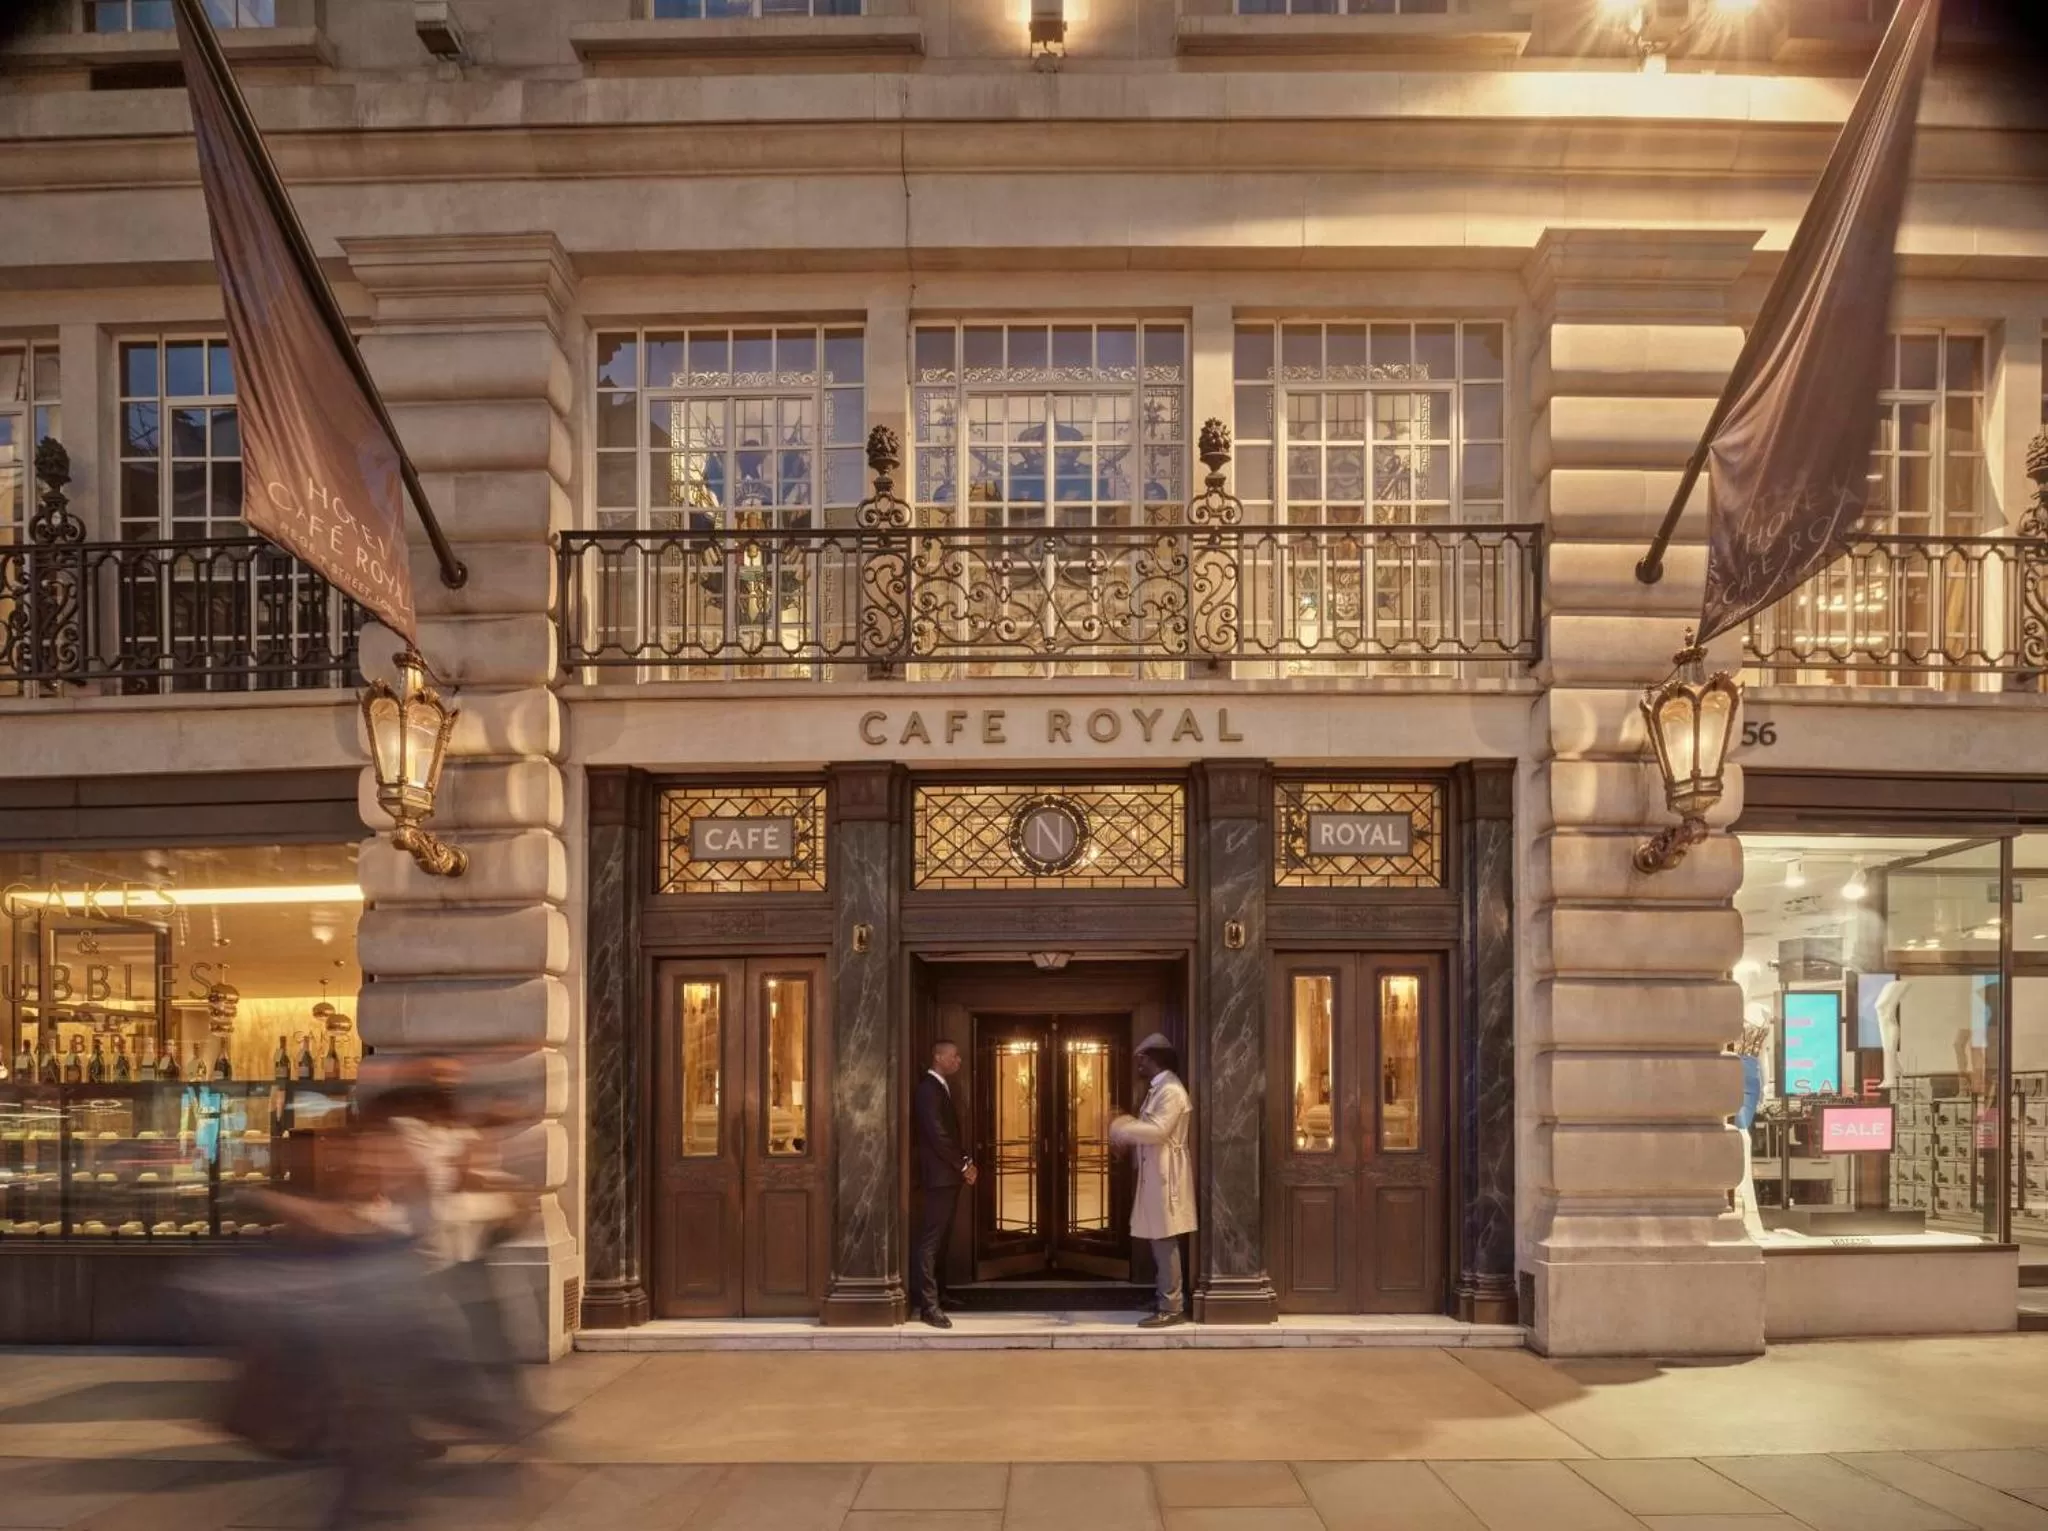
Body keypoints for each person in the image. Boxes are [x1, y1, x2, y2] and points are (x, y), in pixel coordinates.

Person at [1110, 1033, 1195, 1329]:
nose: (1139, 1063)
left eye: (1142, 1058)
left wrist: (1121, 1126)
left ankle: (1172, 1306)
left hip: (1166, 1175)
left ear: (1154, 1058)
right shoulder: (1159, 1088)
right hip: (1157, 1173)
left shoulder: (1170, 1090)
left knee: (1164, 1238)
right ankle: (1165, 1297)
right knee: (1159, 1238)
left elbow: (1158, 1131)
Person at [911, 1039, 976, 1329]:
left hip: (947, 1176)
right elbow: (937, 1135)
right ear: (938, 1057)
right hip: (938, 1178)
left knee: (943, 1239)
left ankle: (941, 1295)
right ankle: (928, 1306)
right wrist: (963, 1165)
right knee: (931, 1241)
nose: (958, 1061)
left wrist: (965, 1160)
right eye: (954, 1056)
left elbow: (949, 1132)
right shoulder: (928, 1089)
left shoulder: (940, 1087)